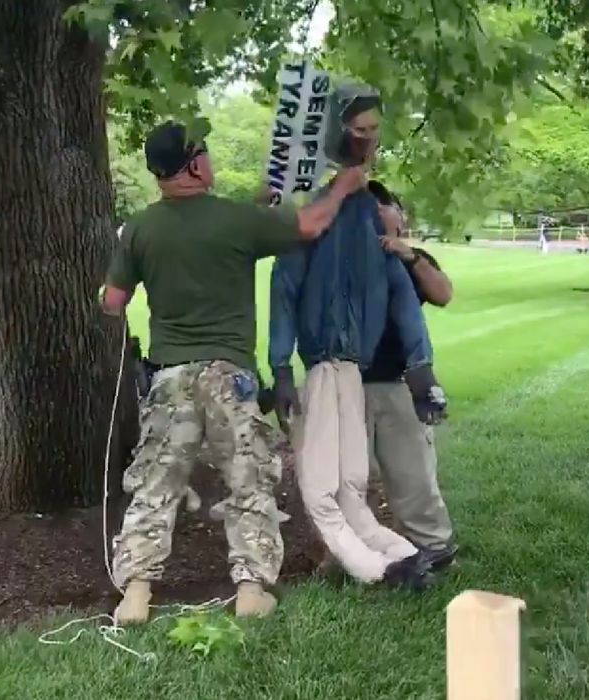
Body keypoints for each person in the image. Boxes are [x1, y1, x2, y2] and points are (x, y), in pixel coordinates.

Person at [100, 118, 367, 625]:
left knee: (156, 485)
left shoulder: (139, 228)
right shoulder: (235, 222)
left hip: (169, 380)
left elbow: (113, 303)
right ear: (195, 163)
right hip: (230, 379)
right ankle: (250, 590)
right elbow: (309, 225)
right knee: (247, 483)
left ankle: (135, 594)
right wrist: (344, 185)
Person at [269, 84, 445, 590]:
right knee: (333, 490)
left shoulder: (370, 210)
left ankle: (399, 559)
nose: (368, 140)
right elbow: (284, 286)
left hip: (348, 369)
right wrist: (281, 367)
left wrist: (420, 364)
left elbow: (399, 290)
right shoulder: (315, 207)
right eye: (359, 129)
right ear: (335, 130)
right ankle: (390, 562)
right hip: (325, 365)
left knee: (341, 488)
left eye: (374, 131)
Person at [361, 180, 457, 571]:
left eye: (384, 204)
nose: (376, 211)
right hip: (349, 379)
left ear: (399, 215)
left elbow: (443, 294)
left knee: (412, 475)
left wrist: (409, 257)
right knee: (347, 476)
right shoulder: (346, 257)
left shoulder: (413, 257)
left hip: (399, 382)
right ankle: (354, 549)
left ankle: (433, 547)